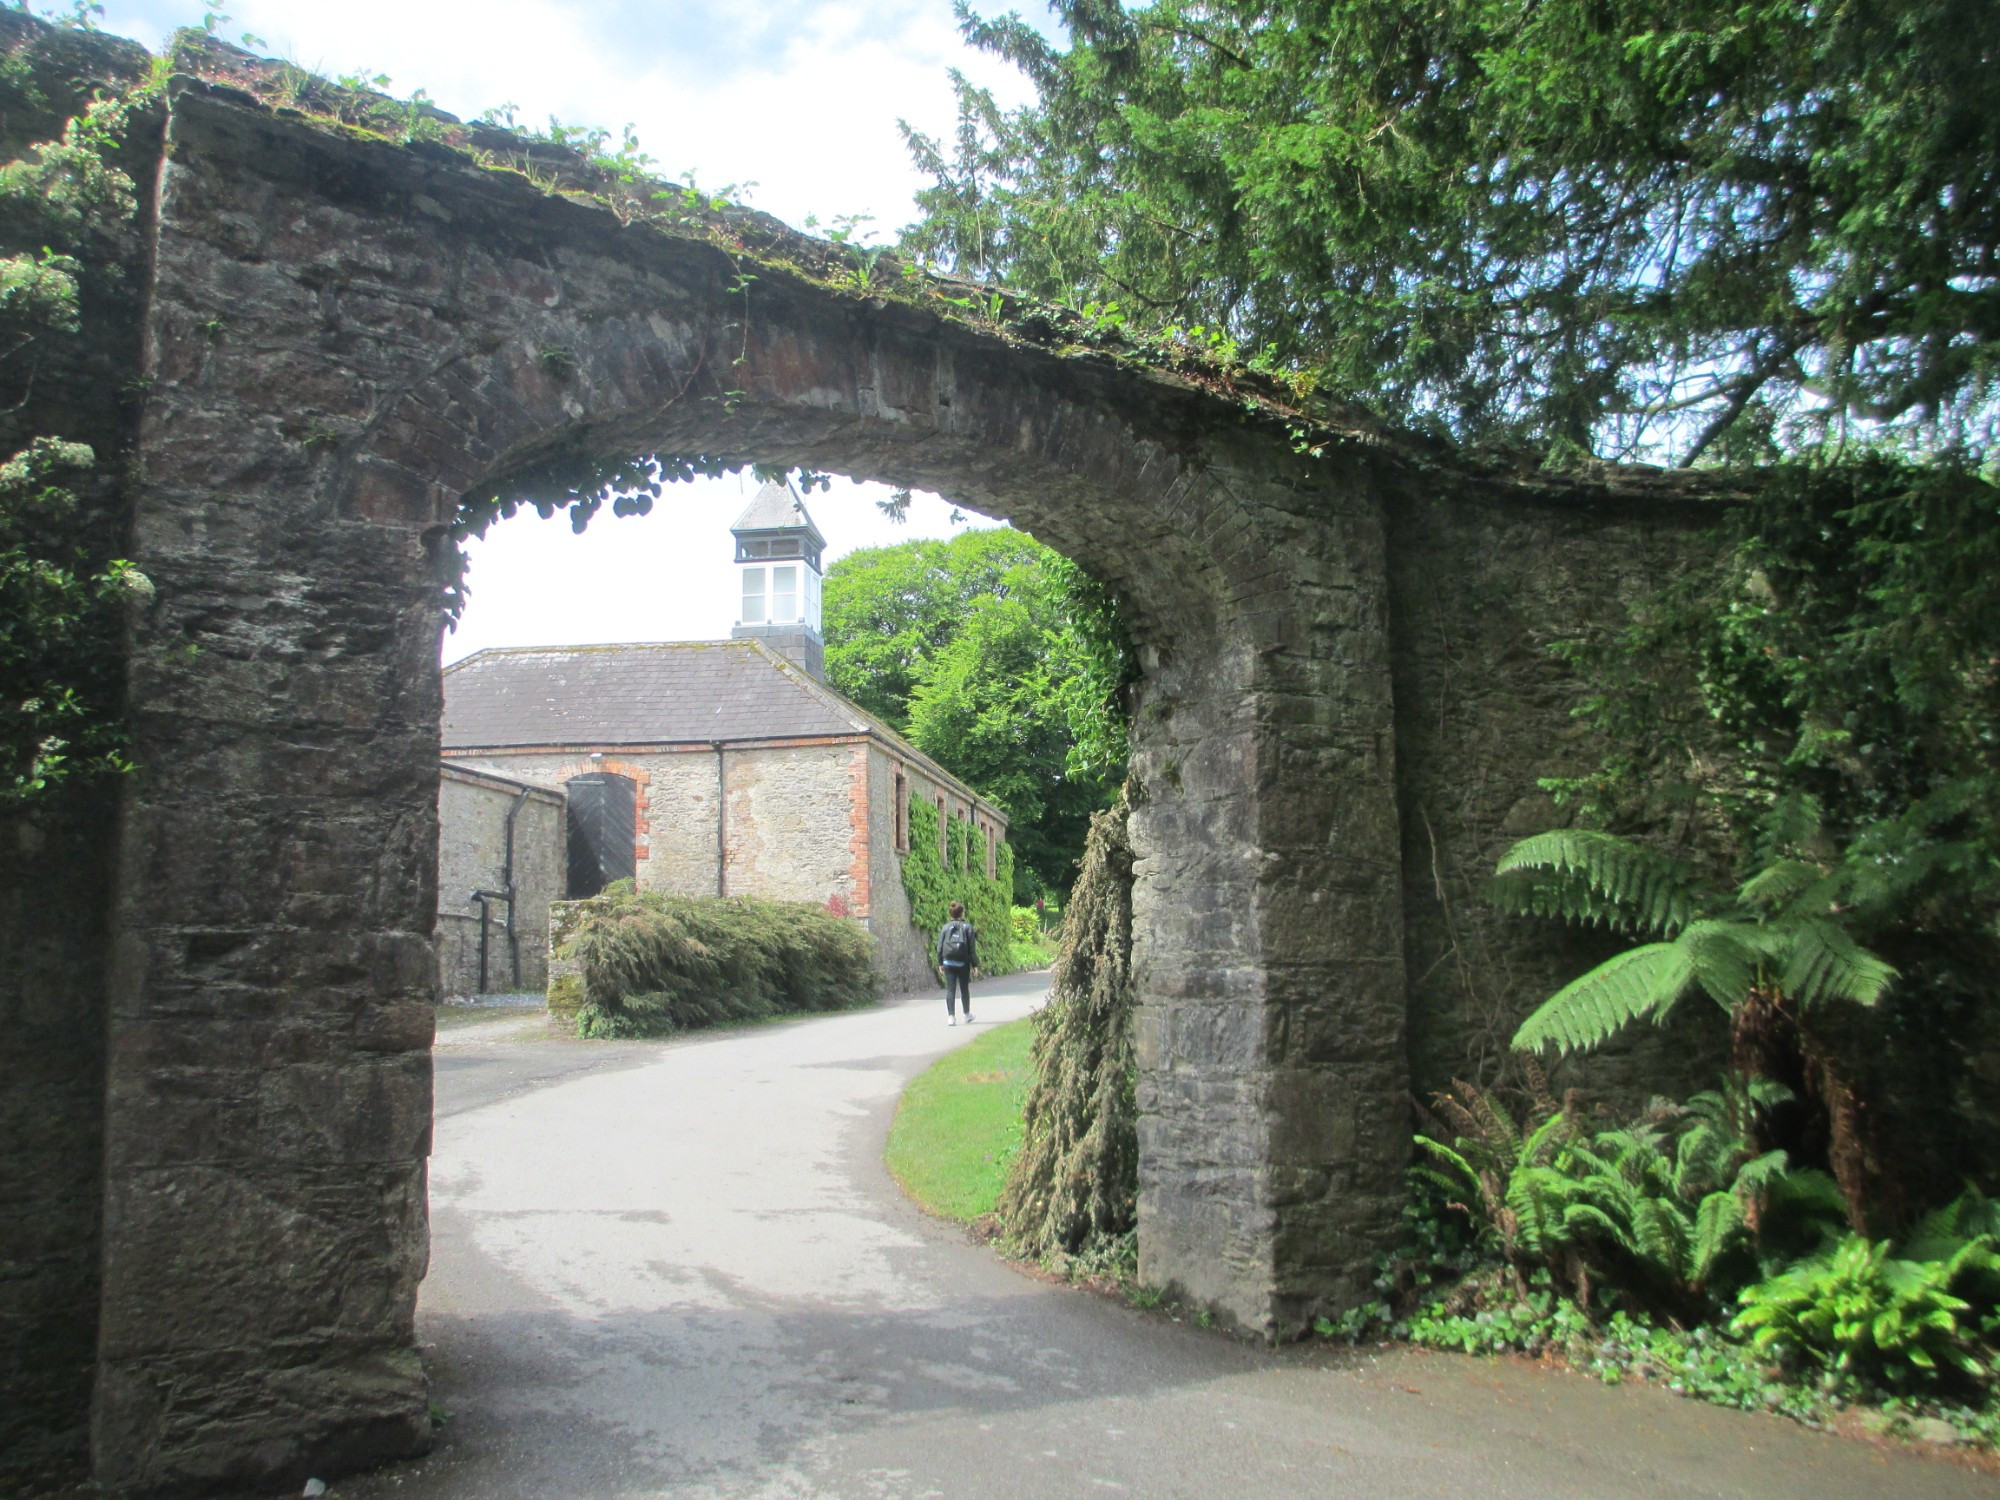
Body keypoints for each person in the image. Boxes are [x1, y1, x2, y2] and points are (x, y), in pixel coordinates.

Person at [937, 900, 977, 1026]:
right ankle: (966, 1015)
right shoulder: (968, 927)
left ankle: (951, 1017)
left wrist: (940, 963)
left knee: (950, 989)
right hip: (963, 963)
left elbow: (939, 948)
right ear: (962, 913)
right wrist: (975, 965)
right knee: (964, 989)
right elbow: (971, 949)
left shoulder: (945, 927)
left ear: (951, 914)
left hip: (948, 962)